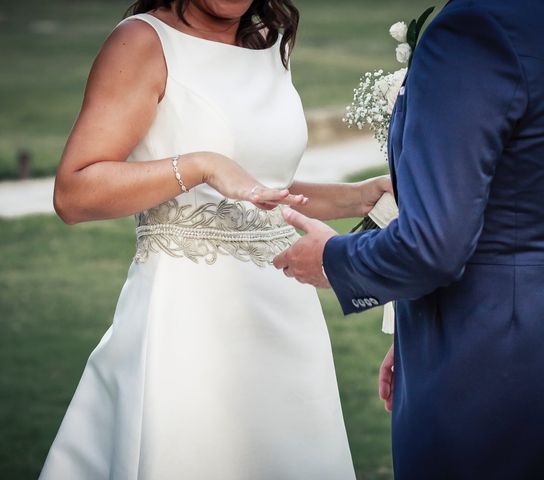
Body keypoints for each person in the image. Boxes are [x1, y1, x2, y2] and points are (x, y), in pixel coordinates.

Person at [274, 0, 544, 478]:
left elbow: (432, 245)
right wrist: (415, 331)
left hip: (484, 367)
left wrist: (334, 259)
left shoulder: (471, 30)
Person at [39, 1, 391, 478]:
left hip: (283, 312)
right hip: (189, 318)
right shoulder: (142, 42)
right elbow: (74, 192)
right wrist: (200, 164)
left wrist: (357, 198)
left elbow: (257, 189)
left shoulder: (269, 45)